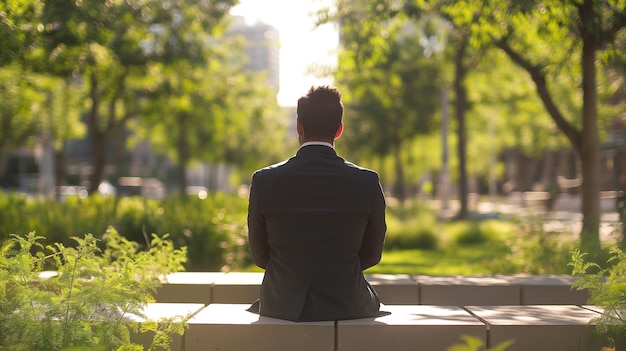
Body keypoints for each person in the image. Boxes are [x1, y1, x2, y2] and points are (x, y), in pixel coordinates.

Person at [246, 85, 387, 322]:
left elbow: (261, 256)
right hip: (347, 304)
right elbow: (372, 254)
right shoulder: (367, 182)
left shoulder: (265, 181)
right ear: (339, 130)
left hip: (282, 305)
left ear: (299, 126)